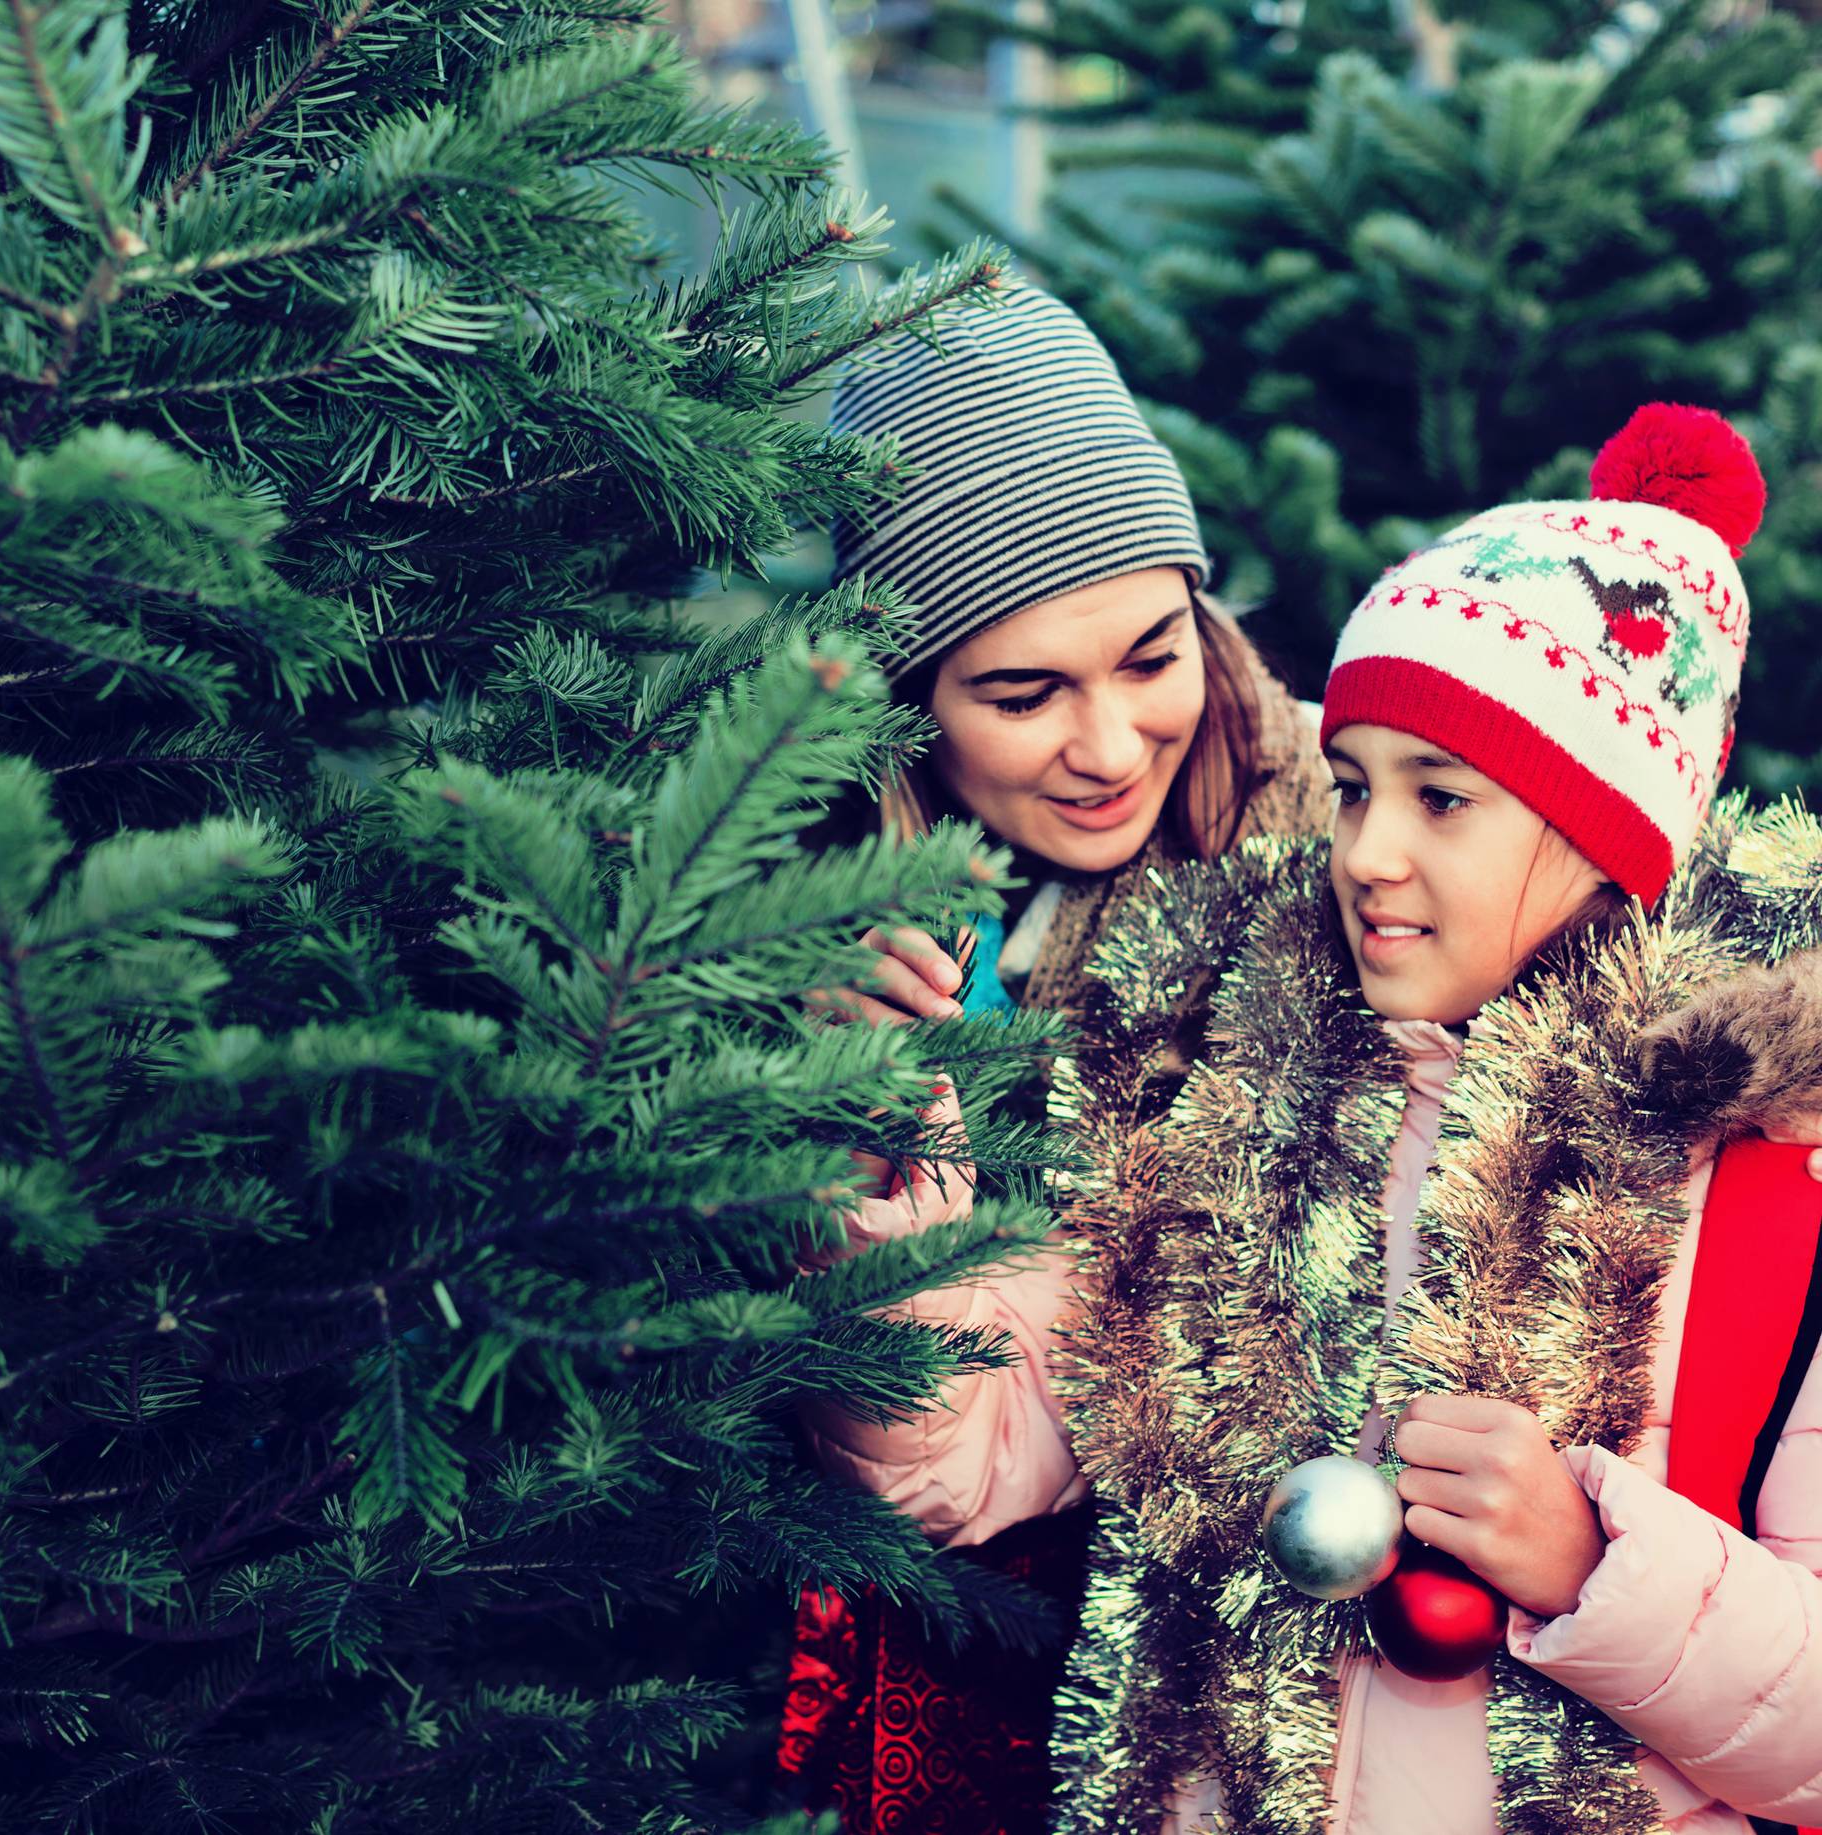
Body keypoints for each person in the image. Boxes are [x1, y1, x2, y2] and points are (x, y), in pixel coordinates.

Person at [798, 399, 1822, 1835]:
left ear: (1606, 827)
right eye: (1349, 789)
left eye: (1442, 799)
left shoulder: (1776, 1174)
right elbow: (963, 1461)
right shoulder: (1230, 1088)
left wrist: (1599, 1564)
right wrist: (878, 1176)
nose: (1365, 854)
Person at [775, 282, 1335, 1833]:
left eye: (1149, 658)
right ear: (910, 702)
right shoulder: (792, 920)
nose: (1107, 746)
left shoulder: (1338, 877)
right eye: (1024, 694)